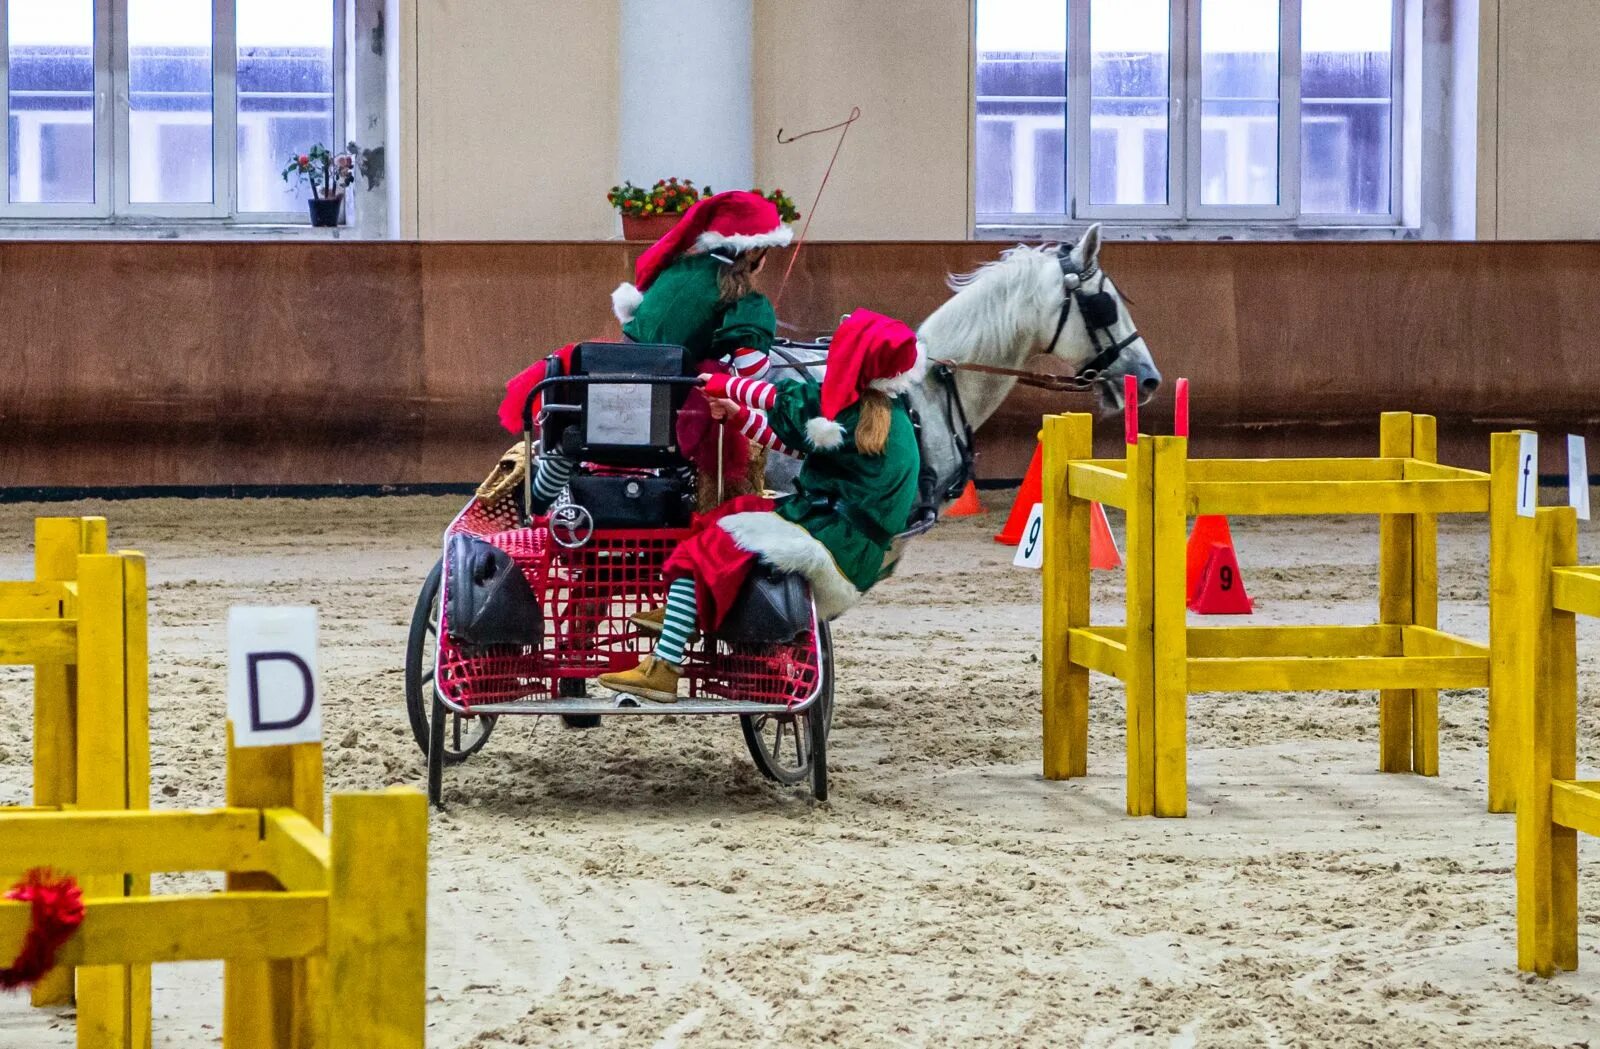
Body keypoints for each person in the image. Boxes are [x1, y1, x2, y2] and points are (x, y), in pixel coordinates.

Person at [598, 309, 926, 703]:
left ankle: (664, 669)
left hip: (833, 538)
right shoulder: (880, 413)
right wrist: (738, 417)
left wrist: (723, 383)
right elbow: (791, 441)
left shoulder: (849, 411)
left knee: (716, 541)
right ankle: (684, 613)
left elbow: (776, 397)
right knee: (728, 513)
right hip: (845, 536)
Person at [500, 190, 792, 515]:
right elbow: (752, 372)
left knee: (571, 443)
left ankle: (535, 505)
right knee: (710, 422)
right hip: (665, 419)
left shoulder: (677, 269)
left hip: (603, 399)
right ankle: (694, 507)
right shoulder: (745, 301)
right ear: (753, 250)